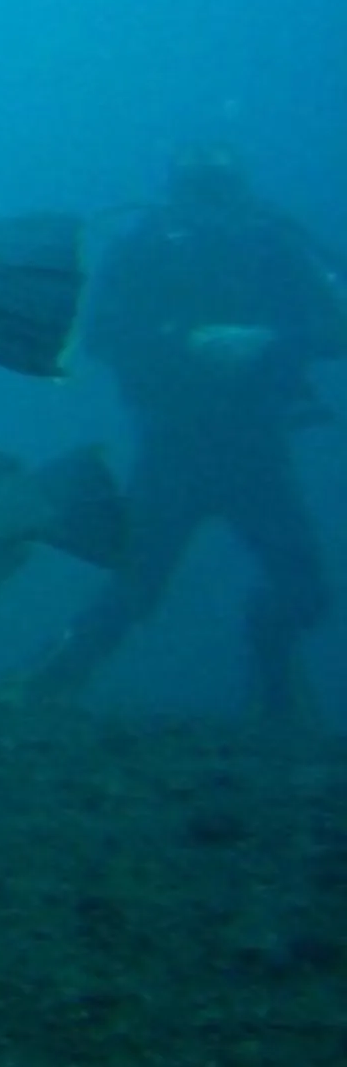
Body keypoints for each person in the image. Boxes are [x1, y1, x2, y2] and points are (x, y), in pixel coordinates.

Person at [31, 145, 347, 723]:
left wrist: (267, 341)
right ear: (174, 195)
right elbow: (98, 334)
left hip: (258, 446)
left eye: (218, 190)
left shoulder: (275, 247)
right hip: (174, 445)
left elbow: (336, 328)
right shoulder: (143, 248)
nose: (208, 206)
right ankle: (45, 689)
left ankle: (273, 680)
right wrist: (181, 344)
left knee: (305, 591)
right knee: (135, 585)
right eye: (196, 191)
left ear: (240, 193)